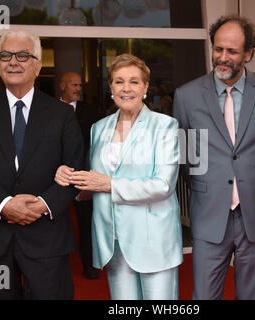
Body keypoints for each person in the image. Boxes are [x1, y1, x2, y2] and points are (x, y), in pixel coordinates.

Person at [0, 29, 84, 299]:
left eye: (23, 55)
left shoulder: (62, 115)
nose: (13, 61)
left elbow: (75, 167)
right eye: (5, 55)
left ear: (37, 65)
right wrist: (5, 205)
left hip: (45, 237)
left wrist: (41, 204)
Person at [172, 15, 255, 300]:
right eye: (218, 48)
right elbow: (187, 159)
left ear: (248, 54)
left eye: (232, 51)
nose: (222, 57)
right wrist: (211, 185)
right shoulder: (187, 96)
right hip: (209, 216)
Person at [55, 53, 183, 300]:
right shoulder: (99, 128)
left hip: (152, 239)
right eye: (119, 81)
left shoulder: (164, 125)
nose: (126, 88)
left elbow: (163, 185)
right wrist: (69, 178)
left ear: (145, 86)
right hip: (112, 241)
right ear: (111, 87)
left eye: (134, 81)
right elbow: (95, 182)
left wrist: (109, 184)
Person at [59, 71, 100, 279]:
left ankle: (88, 265)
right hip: (54, 179)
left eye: (80, 85)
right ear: (62, 86)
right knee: (54, 223)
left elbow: (95, 145)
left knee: (86, 224)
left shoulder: (90, 111)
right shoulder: (49, 110)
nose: (78, 89)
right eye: (73, 85)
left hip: (83, 176)